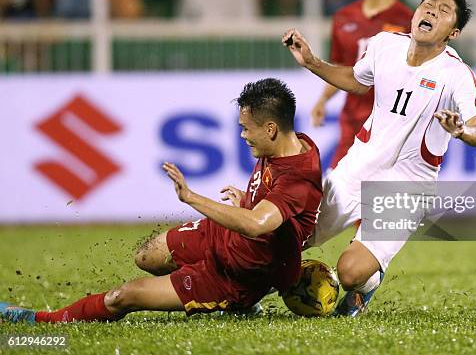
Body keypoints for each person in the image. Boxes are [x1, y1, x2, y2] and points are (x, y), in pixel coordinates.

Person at [0, 78, 323, 323]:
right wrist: (248, 199)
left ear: (269, 129)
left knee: (124, 296)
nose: (242, 135)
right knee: (147, 255)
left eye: (246, 129)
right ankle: (190, 284)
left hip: (236, 276)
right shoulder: (288, 144)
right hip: (222, 237)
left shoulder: (297, 176)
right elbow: (269, 208)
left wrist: (191, 197)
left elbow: (256, 225)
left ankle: (40, 319)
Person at [283, 0, 476, 316]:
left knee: (350, 272)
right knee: (292, 239)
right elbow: (356, 79)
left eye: (443, 11)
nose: (432, 11)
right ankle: (241, 294)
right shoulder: (384, 45)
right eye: (428, 4)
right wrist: (311, 61)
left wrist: (463, 129)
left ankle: (366, 284)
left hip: (407, 186)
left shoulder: (456, 75)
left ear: (452, 33)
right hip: (357, 167)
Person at [311, 0, 413, 169]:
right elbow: (341, 67)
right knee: (336, 196)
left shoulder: (409, 21)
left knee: (382, 201)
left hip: (391, 127)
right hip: (352, 123)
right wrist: (323, 100)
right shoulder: (343, 18)